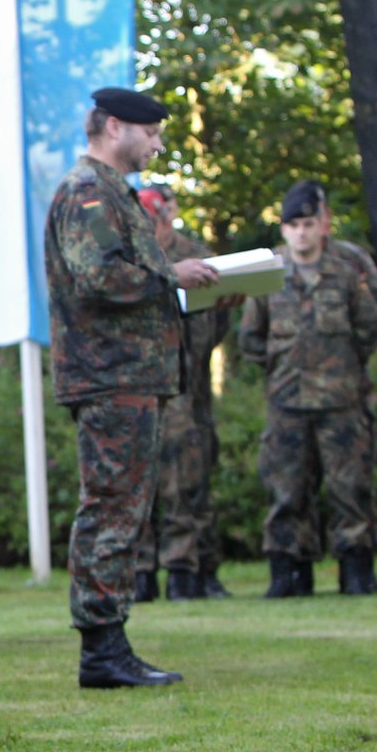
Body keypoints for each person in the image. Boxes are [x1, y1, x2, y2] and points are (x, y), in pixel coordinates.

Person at [43, 87, 218, 689]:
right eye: (151, 132)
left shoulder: (110, 191)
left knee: (124, 506)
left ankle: (110, 644)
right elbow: (98, 276)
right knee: (111, 507)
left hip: (129, 375)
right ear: (115, 127)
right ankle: (101, 650)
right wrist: (176, 275)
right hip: (109, 376)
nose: (158, 143)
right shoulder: (88, 190)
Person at [238, 182, 377, 598]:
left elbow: (370, 327)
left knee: (350, 487)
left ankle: (355, 570)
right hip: (288, 400)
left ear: (322, 226)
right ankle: (289, 571)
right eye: (293, 226)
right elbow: (251, 337)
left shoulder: (346, 269)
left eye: (308, 224)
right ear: (283, 231)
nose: (301, 233)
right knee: (287, 488)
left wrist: (346, 368)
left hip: (341, 399)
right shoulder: (268, 273)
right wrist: (281, 370)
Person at [131, 183, 230, 602]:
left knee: (187, 483)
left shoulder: (195, 258)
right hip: (139, 392)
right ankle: (141, 572)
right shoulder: (130, 262)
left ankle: (187, 572)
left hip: (186, 389)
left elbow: (214, 326)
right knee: (139, 483)